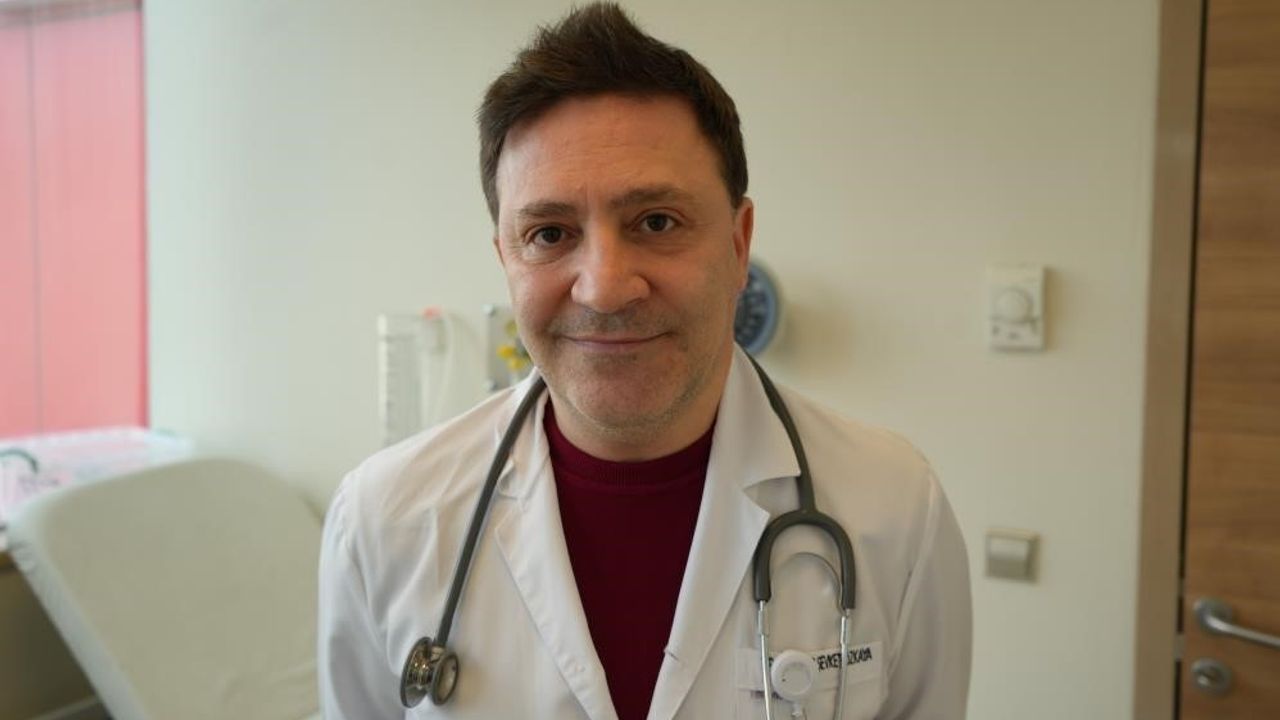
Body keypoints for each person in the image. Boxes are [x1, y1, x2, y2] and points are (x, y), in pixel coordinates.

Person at [318, 4, 971, 719]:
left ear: (738, 243)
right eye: (549, 233)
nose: (604, 288)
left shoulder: (893, 507)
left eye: (656, 222)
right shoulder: (384, 521)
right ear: (506, 259)